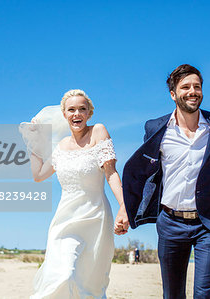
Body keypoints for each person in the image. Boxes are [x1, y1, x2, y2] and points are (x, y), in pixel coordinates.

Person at [120, 64, 210, 299]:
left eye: (197, 86)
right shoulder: (156, 128)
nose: (192, 91)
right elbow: (145, 174)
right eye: (185, 87)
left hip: (209, 222)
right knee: (173, 294)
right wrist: (126, 208)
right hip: (170, 222)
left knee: (204, 293)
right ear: (173, 94)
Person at [27, 89, 129, 299]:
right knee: (62, 274)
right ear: (64, 115)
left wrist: (124, 207)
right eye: (71, 110)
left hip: (95, 218)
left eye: (82, 109)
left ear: (89, 113)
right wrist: (34, 141)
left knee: (89, 285)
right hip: (64, 221)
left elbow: (111, 173)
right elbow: (38, 175)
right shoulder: (61, 147)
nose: (77, 114)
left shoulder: (99, 132)